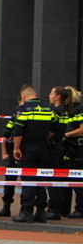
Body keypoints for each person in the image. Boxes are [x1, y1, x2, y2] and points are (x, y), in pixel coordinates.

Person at [11, 84, 60, 224]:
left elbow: (18, 131)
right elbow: (55, 128)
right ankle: (40, 212)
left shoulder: (24, 109)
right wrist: (43, 138)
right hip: (43, 148)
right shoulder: (48, 108)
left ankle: (26, 212)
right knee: (41, 180)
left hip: (28, 148)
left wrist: (16, 148)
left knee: (28, 180)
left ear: (24, 96)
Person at [45, 86, 74, 219]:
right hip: (59, 146)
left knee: (52, 178)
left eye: (52, 94)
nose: (49, 96)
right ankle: (57, 207)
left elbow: (51, 130)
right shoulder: (65, 111)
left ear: (58, 97)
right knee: (57, 177)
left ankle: (54, 209)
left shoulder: (55, 112)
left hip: (53, 148)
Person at [0, 90, 23, 217]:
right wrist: (4, 152)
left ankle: (24, 208)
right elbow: (5, 136)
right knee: (9, 180)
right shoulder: (15, 116)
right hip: (13, 152)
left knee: (27, 181)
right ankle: (6, 206)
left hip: (26, 151)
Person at [62, 86, 83, 218]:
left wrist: (66, 135)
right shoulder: (65, 111)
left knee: (78, 179)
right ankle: (63, 208)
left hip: (78, 150)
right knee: (65, 180)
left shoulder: (79, 110)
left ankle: (80, 209)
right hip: (68, 150)